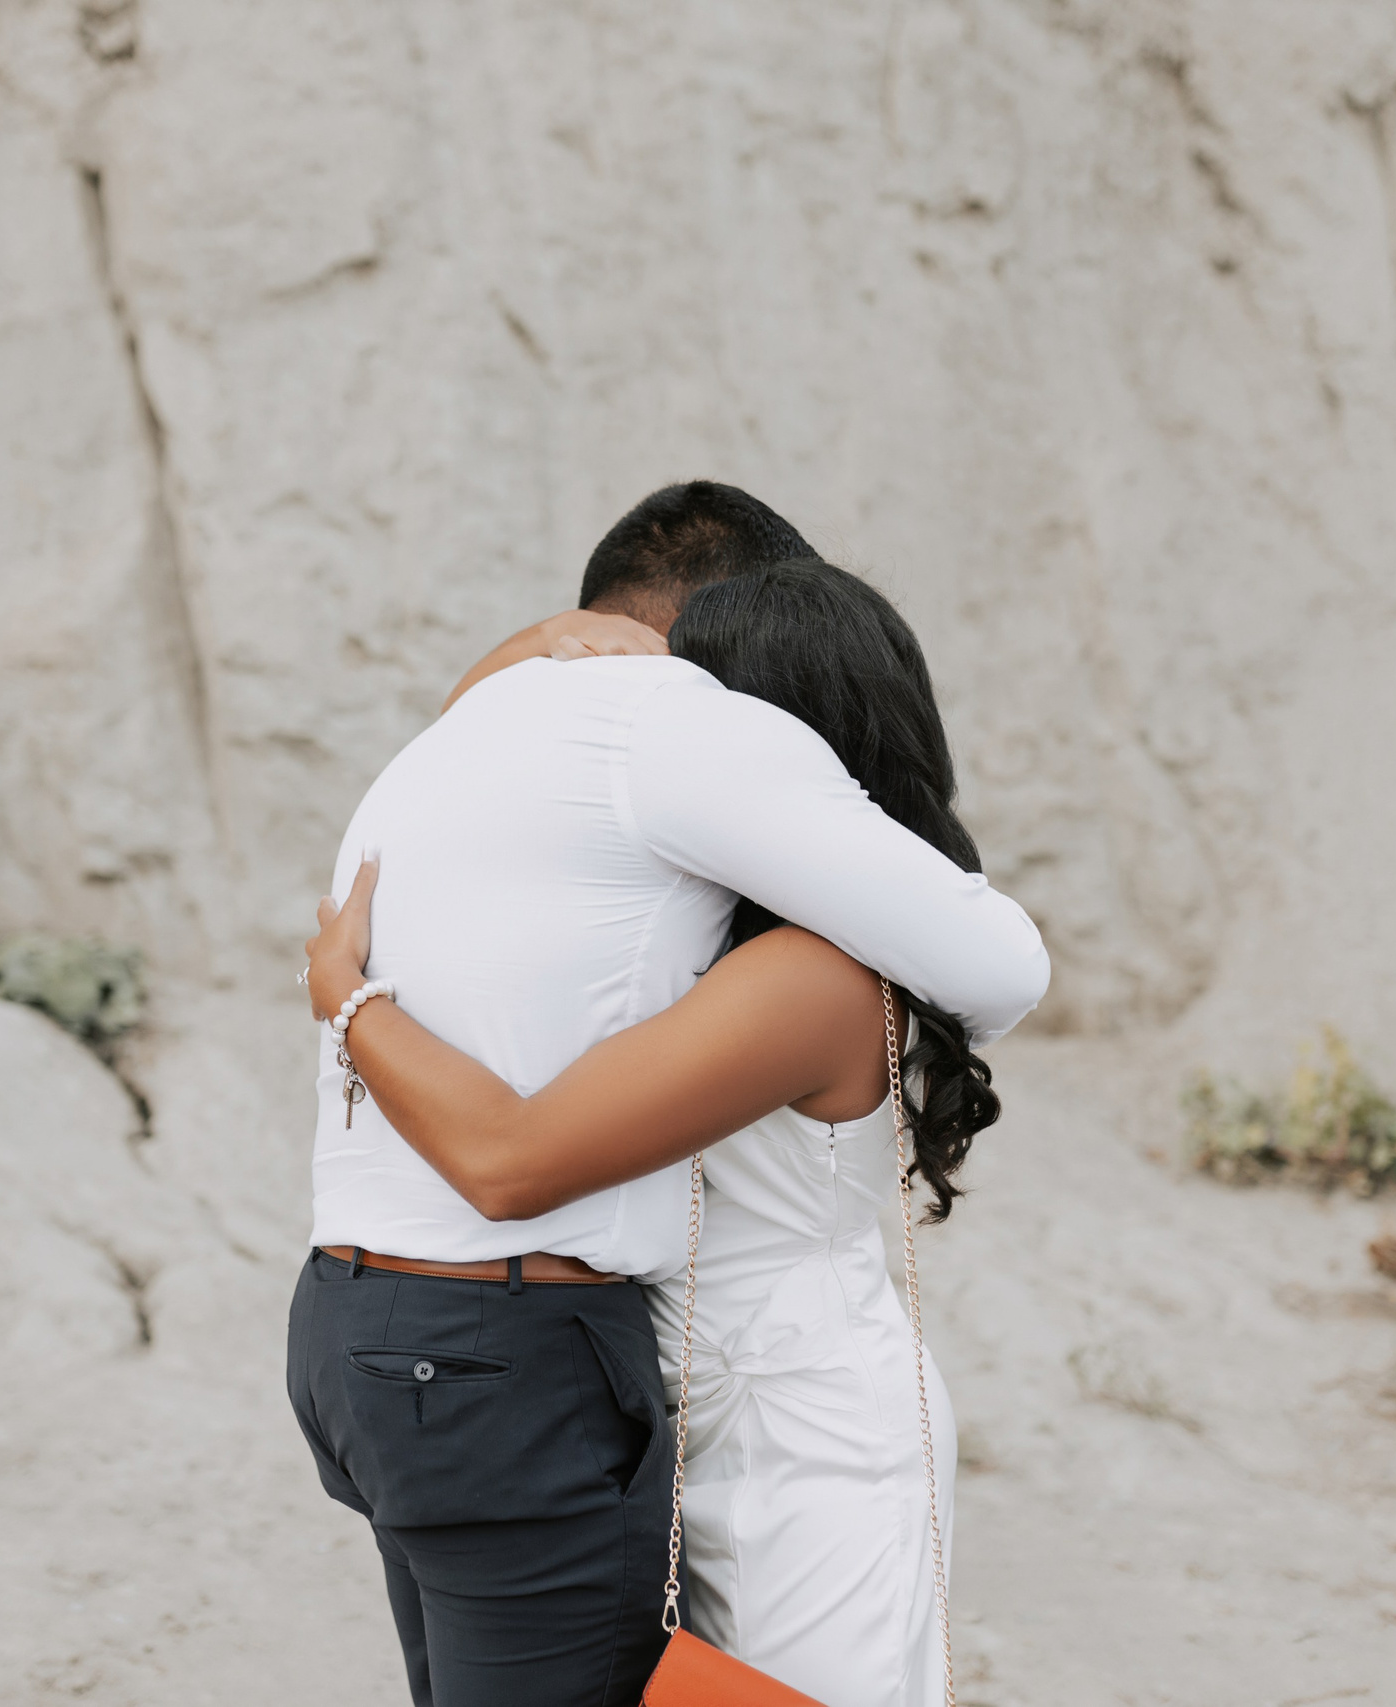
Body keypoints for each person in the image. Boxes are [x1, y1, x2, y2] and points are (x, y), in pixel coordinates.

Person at [286, 484, 1049, 1707]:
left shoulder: (807, 976)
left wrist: (349, 999)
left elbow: (515, 1152)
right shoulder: (670, 946)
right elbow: (521, 810)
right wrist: (534, 649)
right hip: (663, 1401)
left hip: (792, 1435)